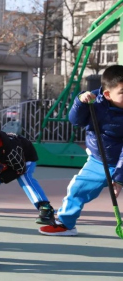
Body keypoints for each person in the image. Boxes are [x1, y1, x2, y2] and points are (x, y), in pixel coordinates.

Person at [40, 65, 123, 236]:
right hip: (99, 160)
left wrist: (119, 178)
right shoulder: (95, 102)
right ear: (107, 94)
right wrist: (80, 102)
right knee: (78, 189)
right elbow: (76, 121)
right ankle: (65, 223)